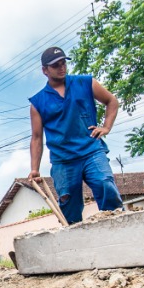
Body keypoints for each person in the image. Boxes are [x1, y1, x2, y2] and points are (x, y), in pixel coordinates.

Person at [28, 46, 123, 225]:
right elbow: (37, 138)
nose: (61, 67)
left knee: (105, 184)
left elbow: (112, 101)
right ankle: (75, 239)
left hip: (91, 150)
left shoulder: (85, 83)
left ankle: (120, 226)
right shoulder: (38, 102)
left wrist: (106, 127)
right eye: (55, 65)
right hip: (63, 160)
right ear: (45, 70)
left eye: (63, 63)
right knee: (68, 203)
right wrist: (34, 169)